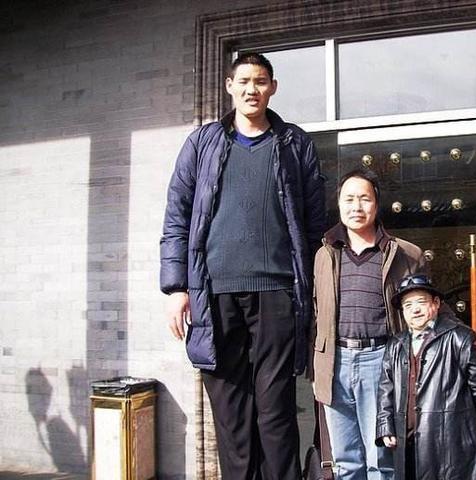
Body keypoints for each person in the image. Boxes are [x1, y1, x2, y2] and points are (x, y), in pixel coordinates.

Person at [160, 52, 325, 480]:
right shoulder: (203, 143)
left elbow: (313, 223)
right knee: (231, 415)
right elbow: (178, 215)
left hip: (277, 291)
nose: (253, 89)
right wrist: (177, 287)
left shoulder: (294, 144)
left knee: (276, 410)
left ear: (273, 88)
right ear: (230, 86)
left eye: (261, 81)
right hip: (214, 293)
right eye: (245, 81)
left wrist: (310, 288)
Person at [311, 169, 476, 480]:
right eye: (349, 199)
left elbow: (430, 303)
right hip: (335, 363)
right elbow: (317, 312)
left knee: (382, 460)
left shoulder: (405, 254)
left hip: (381, 361)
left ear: (376, 204)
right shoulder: (324, 253)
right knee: (344, 462)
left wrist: (461, 333)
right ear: (339, 204)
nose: (356, 207)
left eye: (364, 199)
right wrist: (315, 366)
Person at [376, 274, 476, 480]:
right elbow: (386, 388)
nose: (415, 310)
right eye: (408, 305)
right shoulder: (396, 344)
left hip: (451, 441)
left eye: (421, 302)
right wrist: (386, 426)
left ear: (436, 303)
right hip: (408, 440)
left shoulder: (459, 338)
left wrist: (461, 420)